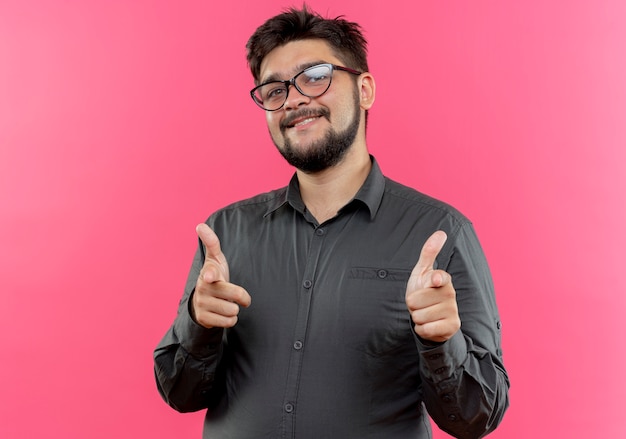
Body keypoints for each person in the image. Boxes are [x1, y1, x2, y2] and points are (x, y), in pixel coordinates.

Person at [154, 6, 509, 439]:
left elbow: (477, 418)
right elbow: (179, 393)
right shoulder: (226, 233)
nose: (296, 99)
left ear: (364, 89)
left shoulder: (440, 234)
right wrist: (199, 322)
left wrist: (441, 342)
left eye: (316, 75)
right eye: (274, 89)